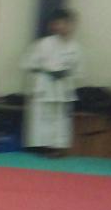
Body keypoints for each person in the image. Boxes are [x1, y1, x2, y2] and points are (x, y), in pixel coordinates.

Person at [22, 9, 83, 157]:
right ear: (53, 25)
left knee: (61, 119)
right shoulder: (44, 43)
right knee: (43, 118)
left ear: (71, 25)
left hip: (64, 87)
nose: (62, 26)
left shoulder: (76, 47)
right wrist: (47, 71)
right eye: (58, 23)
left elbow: (80, 71)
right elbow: (28, 64)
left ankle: (58, 148)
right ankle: (43, 147)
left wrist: (66, 73)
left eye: (66, 23)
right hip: (45, 85)